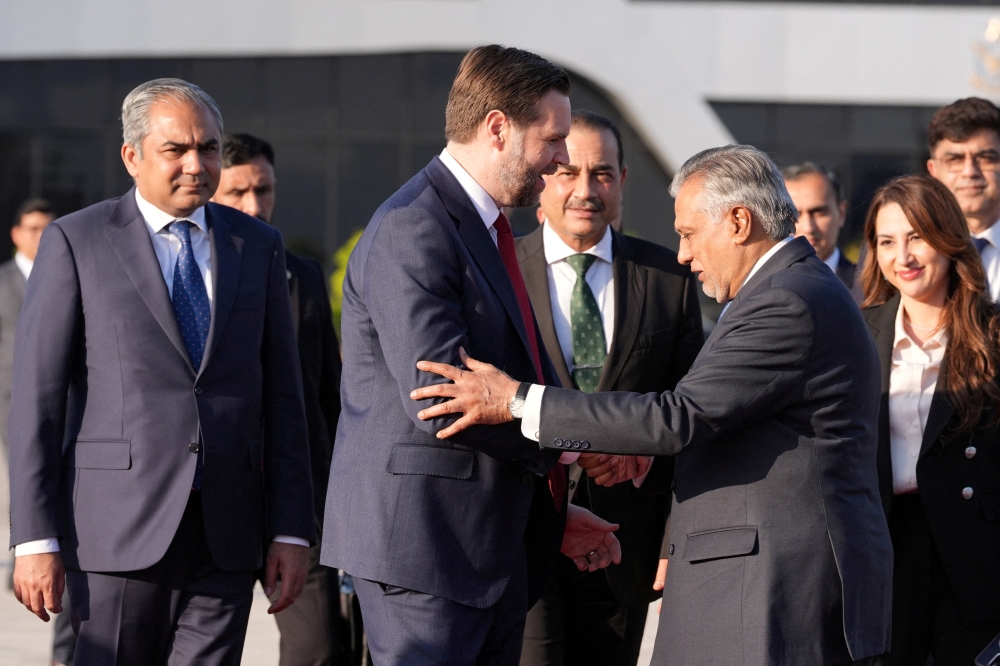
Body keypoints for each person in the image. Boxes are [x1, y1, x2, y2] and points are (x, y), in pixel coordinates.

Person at [411, 144, 894, 666]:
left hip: (776, 592)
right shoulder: (785, 291)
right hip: (755, 586)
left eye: (688, 234)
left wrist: (518, 401)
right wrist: (650, 451)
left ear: (737, 221)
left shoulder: (786, 301)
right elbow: (725, 415)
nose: (683, 255)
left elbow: (678, 416)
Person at [321, 45, 624, 666]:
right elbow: (442, 402)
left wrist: (553, 506)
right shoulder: (415, 228)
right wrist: (567, 445)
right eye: (554, 138)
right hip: (426, 557)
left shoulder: (486, 231)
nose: (563, 159)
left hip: (482, 552)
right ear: (497, 128)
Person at [8, 78, 315, 666]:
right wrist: (34, 539)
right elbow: (36, 404)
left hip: (226, 536)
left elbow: (284, 400)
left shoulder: (260, 245)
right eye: (176, 150)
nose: (196, 165)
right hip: (115, 534)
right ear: (132, 156)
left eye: (209, 149)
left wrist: (291, 531)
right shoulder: (76, 241)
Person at [516, 110, 703, 666]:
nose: (584, 190)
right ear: (545, 176)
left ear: (622, 180)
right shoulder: (500, 271)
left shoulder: (669, 277)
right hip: (526, 528)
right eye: (568, 172)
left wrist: (675, 537)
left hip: (626, 542)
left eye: (601, 174)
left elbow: (689, 413)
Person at [211, 132, 346, 666]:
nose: (253, 205)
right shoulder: (188, 278)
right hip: (216, 501)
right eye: (237, 193)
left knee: (317, 649)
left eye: (262, 190)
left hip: (298, 504)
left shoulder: (304, 275)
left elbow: (328, 395)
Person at [859, 174, 1000, 665]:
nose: (904, 256)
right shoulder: (856, 333)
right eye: (887, 242)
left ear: (947, 236)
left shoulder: (993, 332)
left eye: (917, 236)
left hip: (976, 549)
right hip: (885, 544)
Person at [926, 97, 1000, 300]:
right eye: (954, 160)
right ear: (934, 170)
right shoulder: (902, 252)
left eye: (986, 158)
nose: (970, 172)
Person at [782, 162, 855, 289]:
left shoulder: (870, 290)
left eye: (819, 213)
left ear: (841, 213)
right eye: (794, 215)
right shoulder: (752, 289)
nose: (808, 227)